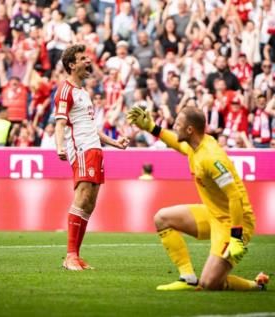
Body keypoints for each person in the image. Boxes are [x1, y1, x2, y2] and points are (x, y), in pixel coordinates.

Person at [127, 106, 269, 291]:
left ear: (189, 130)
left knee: (210, 283)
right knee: (162, 218)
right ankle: (187, 278)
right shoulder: (195, 146)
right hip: (213, 215)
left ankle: (256, 285)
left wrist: (236, 237)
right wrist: (151, 127)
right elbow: (177, 144)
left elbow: (234, 197)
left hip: (236, 222)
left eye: (177, 124)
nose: (173, 126)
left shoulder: (211, 157)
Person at [55, 44, 129, 271]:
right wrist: (59, 146)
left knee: (89, 204)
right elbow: (59, 122)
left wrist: (114, 143)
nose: (88, 61)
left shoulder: (83, 93)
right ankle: (69, 256)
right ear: (71, 65)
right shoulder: (65, 90)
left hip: (95, 148)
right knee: (82, 198)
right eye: (82, 58)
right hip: (82, 150)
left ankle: (76, 255)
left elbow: (91, 127)